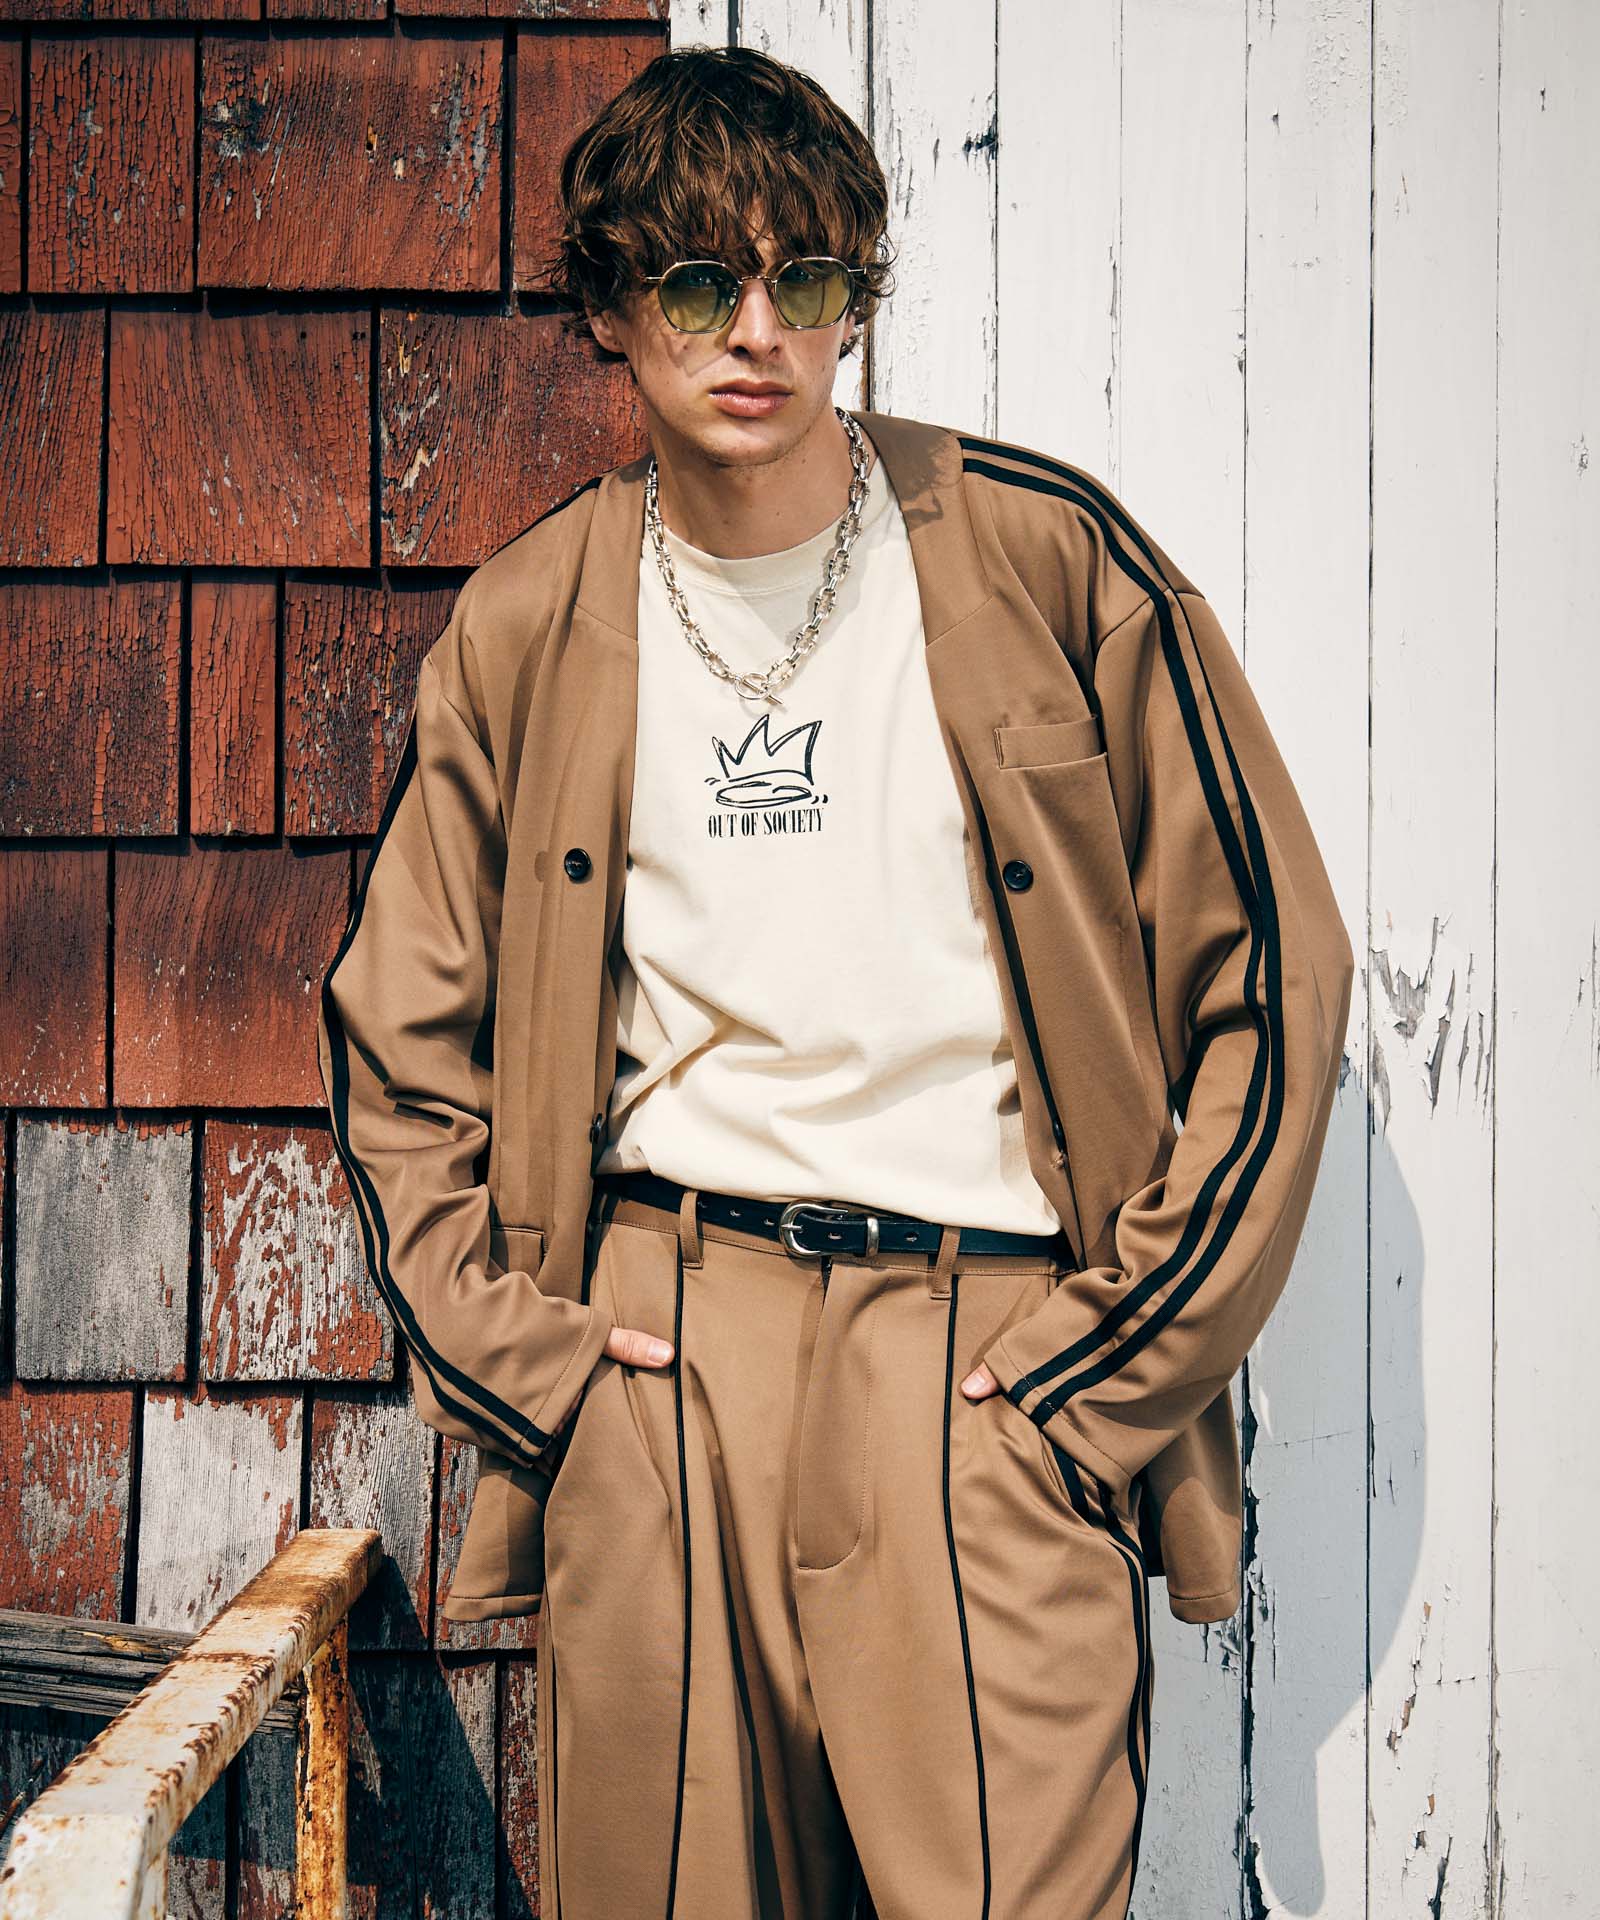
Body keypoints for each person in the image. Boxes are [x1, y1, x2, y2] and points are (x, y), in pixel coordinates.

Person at [317, 43, 1354, 1920]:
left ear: (858, 298)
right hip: (663, 1364)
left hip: (987, 1358)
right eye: (698, 283)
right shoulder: (530, 623)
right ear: (611, 310)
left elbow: (1273, 983)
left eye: (807, 277)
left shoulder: (1049, 561)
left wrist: (1092, 1377)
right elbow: (397, 1051)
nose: (759, 332)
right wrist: (548, 1378)